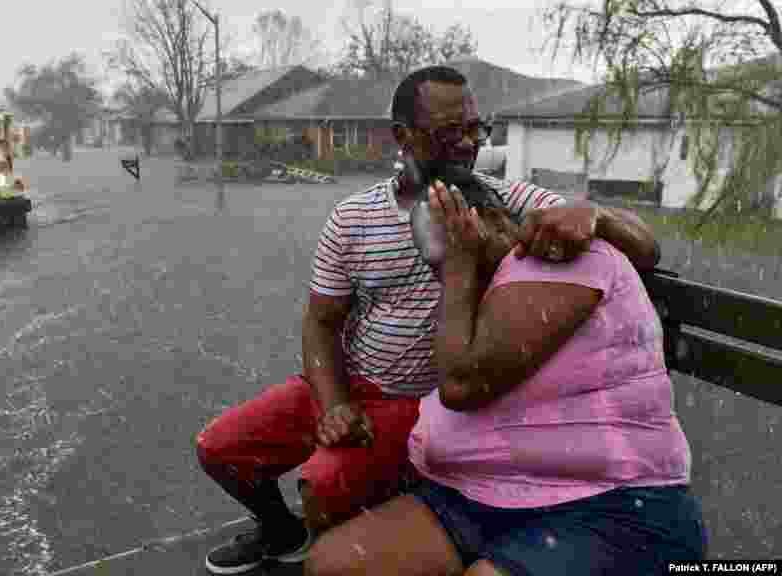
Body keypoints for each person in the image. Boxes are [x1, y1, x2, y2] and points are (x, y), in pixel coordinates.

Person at [194, 65, 663, 575]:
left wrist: (597, 215)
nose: (467, 144)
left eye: (475, 130)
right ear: (402, 136)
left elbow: (646, 246)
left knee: (323, 487)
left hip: (413, 403)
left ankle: (335, 537)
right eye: (449, 132)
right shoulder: (353, 218)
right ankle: (282, 533)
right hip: (344, 383)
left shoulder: (501, 200)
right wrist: (332, 402)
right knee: (220, 449)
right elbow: (321, 323)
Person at [302, 104, 704, 576]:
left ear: (496, 219)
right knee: (332, 565)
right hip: (475, 496)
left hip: (606, 502)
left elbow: (462, 384)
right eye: (435, 260)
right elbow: (323, 320)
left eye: (459, 243)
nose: (450, 266)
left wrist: (595, 215)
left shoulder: (553, 253)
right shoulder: (469, 272)